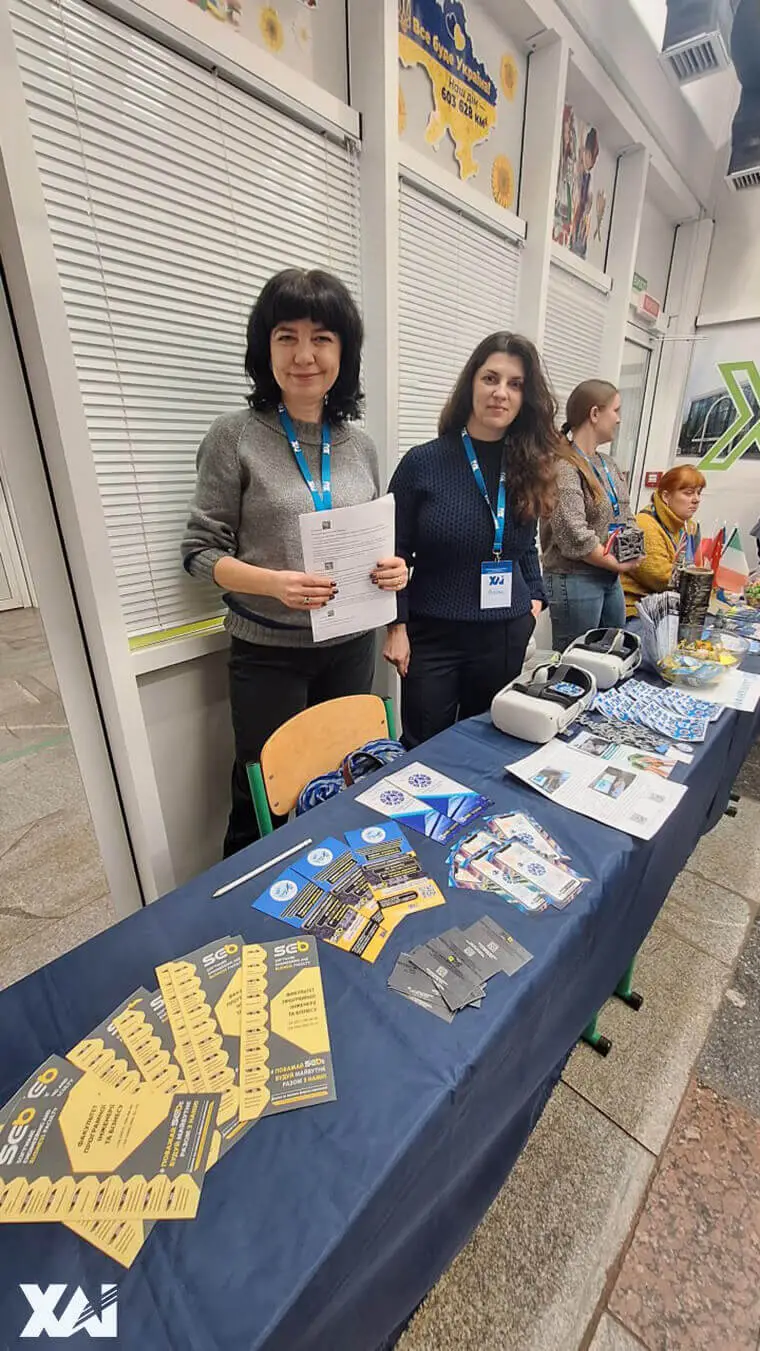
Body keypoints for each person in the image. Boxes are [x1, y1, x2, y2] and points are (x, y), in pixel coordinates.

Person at [181, 268, 407, 856]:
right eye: (287, 337)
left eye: (321, 338)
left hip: (350, 646)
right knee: (263, 798)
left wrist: (392, 572)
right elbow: (200, 552)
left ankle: (333, 890)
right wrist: (272, 583)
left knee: (345, 780)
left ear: (343, 352)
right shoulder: (234, 437)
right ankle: (246, 899)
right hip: (269, 653)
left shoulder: (360, 445)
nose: (304, 355)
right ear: (266, 347)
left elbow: (371, 540)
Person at [383, 332, 558, 748]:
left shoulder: (530, 464)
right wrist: (396, 626)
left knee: (488, 743)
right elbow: (393, 551)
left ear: (526, 397)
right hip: (433, 635)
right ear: (471, 384)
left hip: (504, 633)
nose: (501, 393)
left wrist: (535, 598)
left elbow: (525, 545)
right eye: (490, 379)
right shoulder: (423, 462)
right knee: (425, 748)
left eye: (515, 384)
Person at [540, 379, 640, 652]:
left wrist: (632, 551)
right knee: (578, 661)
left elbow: (626, 515)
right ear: (595, 413)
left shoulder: (608, 464)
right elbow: (573, 533)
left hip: (609, 576)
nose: (619, 419)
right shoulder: (563, 466)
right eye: (616, 410)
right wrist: (617, 563)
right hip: (575, 578)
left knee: (614, 654)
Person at [621, 465, 705, 617]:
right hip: (637, 609)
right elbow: (660, 579)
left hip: (671, 606)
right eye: (688, 493)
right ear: (666, 497)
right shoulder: (643, 525)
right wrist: (701, 581)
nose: (696, 499)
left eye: (698, 493)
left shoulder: (689, 527)